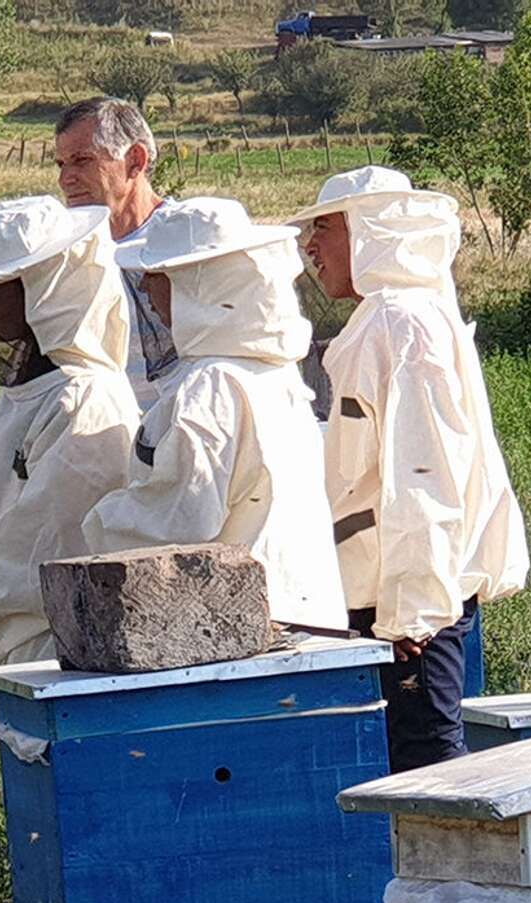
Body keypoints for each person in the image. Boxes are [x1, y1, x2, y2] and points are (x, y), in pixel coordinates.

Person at [287, 167, 529, 772]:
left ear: (372, 231)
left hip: (412, 601)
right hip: (392, 593)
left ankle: (456, 869)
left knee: (429, 761)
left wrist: (412, 611)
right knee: (407, 759)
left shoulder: (404, 324)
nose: (310, 247)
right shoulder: (390, 317)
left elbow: (426, 475)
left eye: (324, 228)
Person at [85, 197, 346, 629]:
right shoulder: (271, 372)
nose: (147, 291)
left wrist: (94, 525)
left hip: (244, 633)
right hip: (300, 611)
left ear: (198, 282)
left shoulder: (212, 386)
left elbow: (180, 519)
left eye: (159, 275)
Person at [0, 195, 141, 665]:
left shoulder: (85, 398)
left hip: (57, 636)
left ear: (42, 289)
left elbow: (54, 534)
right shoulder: (27, 389)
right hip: (17, 631)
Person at [54, 96, 176, 406]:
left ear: (135, 160)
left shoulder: (185, 240)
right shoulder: (68, 252)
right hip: (101, 440)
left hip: (177, 435)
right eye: (61, 164)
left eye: (82, 160)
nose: (65, 179)